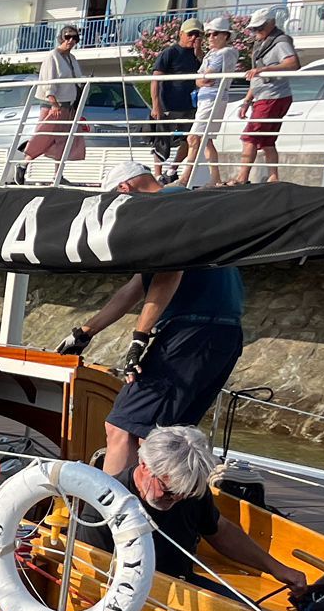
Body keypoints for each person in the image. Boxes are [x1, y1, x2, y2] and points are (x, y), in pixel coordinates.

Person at [55, 158, 243, 478]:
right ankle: (157, 514)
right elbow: (136, 287)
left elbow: (169, 273)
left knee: (120, 429)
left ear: (125, 189)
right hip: (223, 334)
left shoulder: (163, 209)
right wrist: (85, 332)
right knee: (163, 439)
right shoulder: (190, 201)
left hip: (190, 333)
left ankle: (108, 520)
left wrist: (139, 339)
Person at [75, 425, 307, 594]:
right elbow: (92, 574)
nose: (176, 499)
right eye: (167, 491)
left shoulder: (189, 490)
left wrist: (277, 569)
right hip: (129, 594)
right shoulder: (103, 505)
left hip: (182, 582)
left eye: (184, 494)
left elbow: (220, 531)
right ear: (144, 465)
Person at [230, 7, 299, 185]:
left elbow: (292, 63)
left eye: (259, 28)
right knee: (267, 140)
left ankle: (242, 178)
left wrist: (265, 69)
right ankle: (273, 177)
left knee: (250, 136)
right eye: (253, 28)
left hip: (273, 96)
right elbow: (256, 78)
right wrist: (247, 100)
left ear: (271, 24)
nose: (255, 32)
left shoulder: (279, 42)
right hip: (266, 96)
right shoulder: (263, 44)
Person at [16, 25, 86, 184]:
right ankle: (23, 165)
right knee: (44, 137)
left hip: (69, 105)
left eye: (74, 38)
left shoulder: (71, 58)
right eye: (67, 37)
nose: (71, 41)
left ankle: (57, 174)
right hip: (55, 105)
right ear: (61, 37)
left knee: (64, 140)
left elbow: (76, 79)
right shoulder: (52, 56)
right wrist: (54, 103)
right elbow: (49, 81)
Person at [184, 16, 242, 185]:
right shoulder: (213, 53)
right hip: (206, 99)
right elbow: (200, 79)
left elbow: (206, 77)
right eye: (208, 34)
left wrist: (201, 79)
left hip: (212, 99)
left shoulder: (225, 53)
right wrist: (201, 79)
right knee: (205, 140)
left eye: (215, 34)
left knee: (193, 138)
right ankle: (215, 178)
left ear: (225, 35)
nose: (210, 38)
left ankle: (184, 178)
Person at [149, 18, 202, 177]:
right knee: (162, 140)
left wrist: (199, 53)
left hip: (189, 105)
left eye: (197, 35)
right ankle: (158, 174)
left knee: (190, 139)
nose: (194, 38)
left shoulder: (197, 55)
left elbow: (206, 69)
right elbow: (155, 79)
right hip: (169, 104)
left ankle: (172, 169)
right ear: (181, 34)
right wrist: (156, 105)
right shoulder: (170, 52)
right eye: (191, 34)